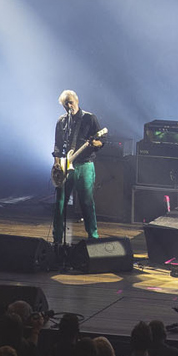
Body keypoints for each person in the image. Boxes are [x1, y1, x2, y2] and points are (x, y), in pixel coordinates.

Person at [53, 90, 104, 246]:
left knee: (86, 202)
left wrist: (95, 143)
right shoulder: (62, 121)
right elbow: (57, 145)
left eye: (71, 102)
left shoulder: (89, 118)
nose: (69, 106)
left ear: (77, 100)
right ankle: (57, 239)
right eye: (65, 104)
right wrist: (57, 163)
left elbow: (102, 141)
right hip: (64, 166)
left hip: (85, 165)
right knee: (60, 202)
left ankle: (93, 237)